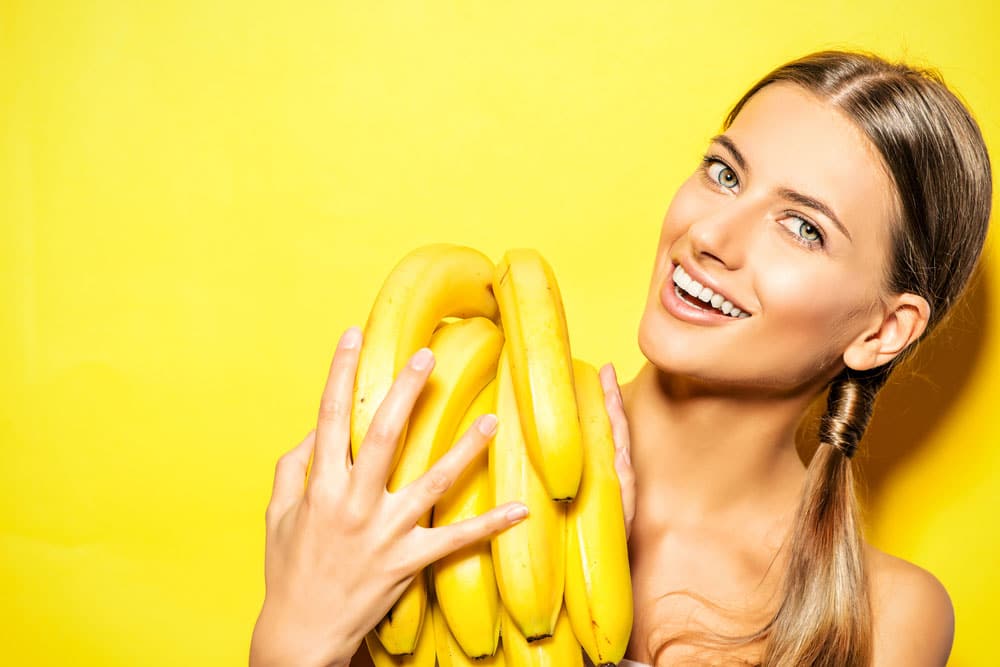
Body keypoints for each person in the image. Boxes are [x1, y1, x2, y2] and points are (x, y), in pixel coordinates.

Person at [248, 50, 992, 666]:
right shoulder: (436, 477)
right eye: (724, 173)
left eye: (800, 227)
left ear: (883, 330)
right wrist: (295, 636)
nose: (711, 235)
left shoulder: (884, 622)